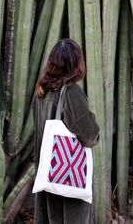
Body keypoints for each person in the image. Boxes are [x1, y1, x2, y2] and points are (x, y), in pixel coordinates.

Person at [33, 38, 100, 224]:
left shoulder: (41, 93)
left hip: (48, 174)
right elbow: (90, 134)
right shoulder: (71, 92)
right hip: (68, 177)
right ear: (76, 64)